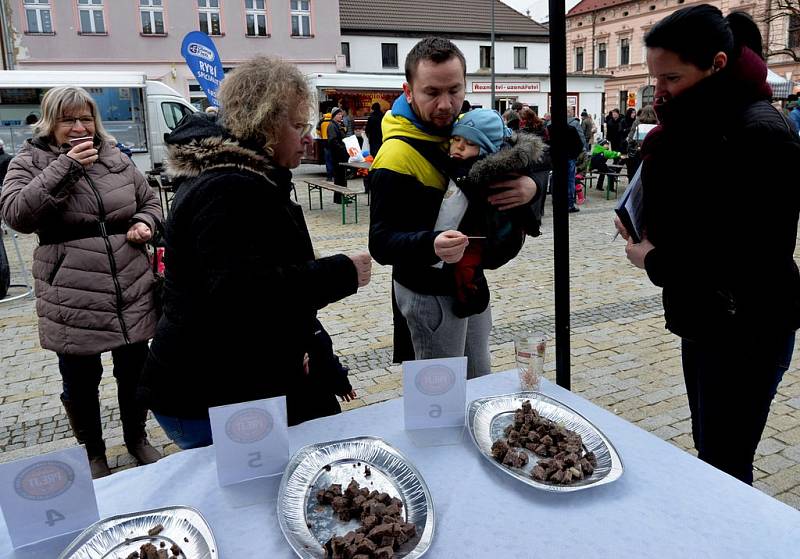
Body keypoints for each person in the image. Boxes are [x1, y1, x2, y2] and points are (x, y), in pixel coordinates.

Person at [137, 56, 372, 449]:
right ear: (263, 126)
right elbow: (244, 293)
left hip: (228, 378)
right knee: (240, 498)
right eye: (298, 127)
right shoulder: (229, 189)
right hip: (204, 393)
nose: (308, 138)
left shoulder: (250, 180)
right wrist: (341, 271)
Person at [615, 5, 800, 485]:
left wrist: (652, 256)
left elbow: (747, 258)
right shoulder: (696, 122)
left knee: (725, 460)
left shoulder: (759, 132)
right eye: (655, 79)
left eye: (671, 78)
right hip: (706, 315)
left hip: (747, 325)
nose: (659, 93)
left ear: (716, 64)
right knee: (710, 445)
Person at [0, 86, 163, 478]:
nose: (78, 127)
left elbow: (150, 200)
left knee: (135, 371)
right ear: (49, 122)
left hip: (129, 284)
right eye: (67, 119)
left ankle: (136, 437)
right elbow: (17, 214)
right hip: (71, 291)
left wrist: (146, 223)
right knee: (80, 380)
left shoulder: (116, 157)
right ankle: (92, 452)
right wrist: (67, 167)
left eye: (85, 118)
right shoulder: (29, 159)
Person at [368, 37, 544, 375]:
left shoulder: (470, 127)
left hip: (471, 284)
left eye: (454, 90)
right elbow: (380, 242)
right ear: (409, 91)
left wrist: (532, 186)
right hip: (428, 292)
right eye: (432, 93)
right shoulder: (395, 155)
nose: (446, 104)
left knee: (479, 379)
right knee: (440, 397)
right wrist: (430, 244)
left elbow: (532, 155)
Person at [439, 109, 543, 317]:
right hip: (475, 235)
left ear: (486, 150)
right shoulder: (473, 164)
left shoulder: (486, 173)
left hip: (483, 237)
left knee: (466, 266)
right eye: (456, 139)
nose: (459, 147)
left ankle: (472, 296)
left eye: (470, 144)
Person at [625, 104, 658, 178]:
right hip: (653, 154)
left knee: (636, 175)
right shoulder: (657, 123)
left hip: (638, 153)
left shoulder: (637, 122)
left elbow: (630, 139)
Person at [328, 106, 349, 203]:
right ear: (334, 116)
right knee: (339, 177)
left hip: (340, 155)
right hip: (337, 156)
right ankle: (339, 198)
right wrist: (342, 148)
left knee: (341, 177)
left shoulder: (338, 125)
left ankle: (340, 197)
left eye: (341, 114)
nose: (341, 116)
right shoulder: (332, 126)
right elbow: (333, 141)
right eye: (339, 114)